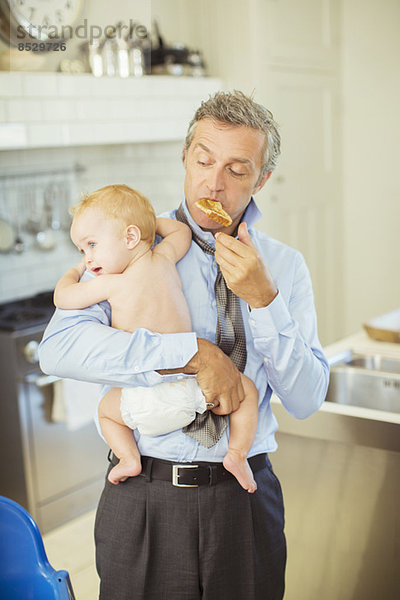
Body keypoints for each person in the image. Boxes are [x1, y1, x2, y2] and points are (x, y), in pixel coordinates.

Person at [39, 90, 329, 600]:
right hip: (145, 497)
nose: (212, 182)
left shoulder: (285, 267)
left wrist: (265, 302)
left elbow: (306, 398)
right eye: (203, 160)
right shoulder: (130, 245)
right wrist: (188, 353)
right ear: (186, 158)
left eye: (237, 170)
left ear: (262, 180)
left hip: (245, 499)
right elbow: (58, 350)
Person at [53, 184, 259, 493]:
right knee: (247, 390)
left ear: (131, 236)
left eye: (92, 244)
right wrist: (147, 219)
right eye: (82, 251)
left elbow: (63, 297)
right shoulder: (164, 257)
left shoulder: (111, 284)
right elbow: (181, 232)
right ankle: (237, 454)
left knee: (106, 411)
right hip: (194, 392)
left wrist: (72, 272)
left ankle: (128, 458)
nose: (88, 257)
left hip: (143, 399)